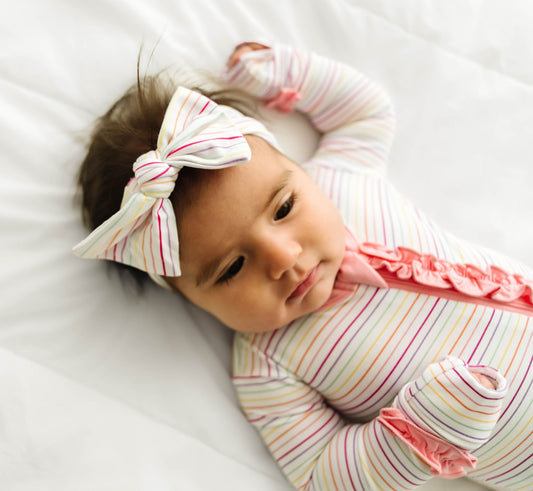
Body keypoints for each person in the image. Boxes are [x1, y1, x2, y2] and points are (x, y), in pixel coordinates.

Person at [73, 41, 533, 490]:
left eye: (284, 207)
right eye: (232, 268)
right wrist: (420, 431)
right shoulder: (268, 365)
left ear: (299, 170)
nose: (283, 257)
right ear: (189, 298)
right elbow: (320, 474)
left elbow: (365, 112)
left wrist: (284, 72)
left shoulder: (344, 179)